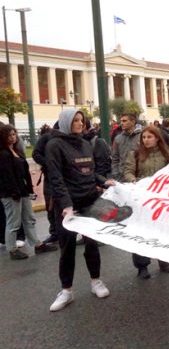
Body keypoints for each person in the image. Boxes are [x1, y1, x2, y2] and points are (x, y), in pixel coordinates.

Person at [45, 109, 112, 312]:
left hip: (89, 202)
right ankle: (66, 290)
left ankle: (96, 281)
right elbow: (56, 179)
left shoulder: (84, 143)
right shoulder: (54, 145)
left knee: (92, 245)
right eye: (75, 120)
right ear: (65, 122)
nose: (80, 124)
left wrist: (105, 182)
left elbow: (90, 173)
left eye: (81, 120)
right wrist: (66, 205)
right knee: (67, 248)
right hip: (66, 206)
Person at [123, 126, 169, 279]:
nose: (146, 140)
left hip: (161, 199)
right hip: (141, 200)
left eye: (149, 137)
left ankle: (164, 260)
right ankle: (142, 265)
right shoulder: (135, 154)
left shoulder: (166, 155)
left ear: (157, 138)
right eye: (144, 137)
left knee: (162, 231)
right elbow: (128, 171)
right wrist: (133, 181)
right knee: (141, 232)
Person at [0, 125, 58, 259]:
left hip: (22, 192)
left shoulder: (16, 151)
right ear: (3, 137)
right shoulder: (3, 154)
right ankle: (12, 249)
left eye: (14, 134)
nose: (13, 137)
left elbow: (23, 173)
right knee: (13, 222)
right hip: (11, 194)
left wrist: (29, 190)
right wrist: (15, 192)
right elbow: (6, 177)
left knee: (29, 219)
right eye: (9, 135)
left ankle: (37, 244)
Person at [111, 113, 141, 181]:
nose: (121, 123)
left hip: (139, 177)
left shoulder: (142, 136)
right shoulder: (117, 139)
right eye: (121, 121)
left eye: (124, 121)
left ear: (133, 122)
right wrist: (116, 175)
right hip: (122, 177)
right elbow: (115, 158)